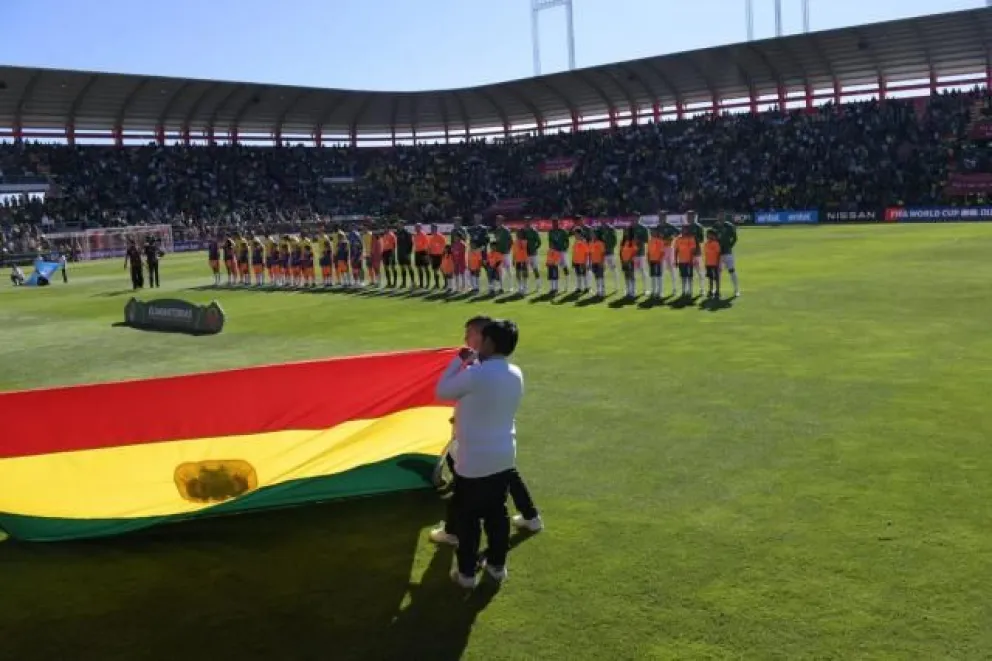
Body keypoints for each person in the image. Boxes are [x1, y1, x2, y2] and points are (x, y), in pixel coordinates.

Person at [433, 319, 527, 587]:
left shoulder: (476, 374)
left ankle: (467, 574)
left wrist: (459, 361)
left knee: (469, 518)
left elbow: (442, 390)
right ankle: (497, 566)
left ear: (489, 342)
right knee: (497, 514)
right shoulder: (515, 372)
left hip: (474, 459)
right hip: (503, 454)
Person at [714, 213, 741, 297]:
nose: (720, 217)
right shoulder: (715, 226)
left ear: (724, 216)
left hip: (727, 252)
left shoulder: (729, 226)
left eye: (722, 215)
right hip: (718, 253)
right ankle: (717, 290)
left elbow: (735, 238)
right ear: (717, 216)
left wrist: (730, 246)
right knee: (718, 272)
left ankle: (736, 289)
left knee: (731, 270)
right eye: (719, 215)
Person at [674, 225, 697, 299]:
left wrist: (692, 260)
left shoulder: (691, 238)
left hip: (689, 261)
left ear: (688, 230)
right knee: (683, 277)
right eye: (682, 229)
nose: (683, 230)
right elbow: (676, 250)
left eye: (685, 229)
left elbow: (693, 250)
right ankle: (684, 291)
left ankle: (690, 291)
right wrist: (675, 260)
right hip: (681, 261)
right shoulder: (678, 239)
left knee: (689, 276)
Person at [547, 217, 570, 293]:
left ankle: (567, 284)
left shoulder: (563, 231)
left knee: (564, 267)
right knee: (555, 269)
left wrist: (565, 248)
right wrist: (551, 248)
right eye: (553, 223)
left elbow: (567, 241)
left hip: (562, 252)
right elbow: (550, 241)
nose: (554, 224)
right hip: (555, 252)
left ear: (558, 223)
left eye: (556, 223)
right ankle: (555, 287)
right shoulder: (550, 232)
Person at [522, 220, 542, 294]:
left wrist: (534, 248)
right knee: (525, 270)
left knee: (535, 269)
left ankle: (538, 286)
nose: (527, 223)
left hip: (533, 254)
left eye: (528, 222)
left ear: (530, 223)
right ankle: (525, 287)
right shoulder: (523, 231)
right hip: (525, 254)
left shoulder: (534, 231)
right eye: (526, 222)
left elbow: (539, 242)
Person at [703, 229, 722, 299]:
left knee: (716, 278)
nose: (708, 235)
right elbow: (706, 254)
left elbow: (718, 254)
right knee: (710, 278)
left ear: (713, 235)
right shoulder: (706, 243)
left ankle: (717, 291)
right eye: (707, 234)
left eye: (709, 234)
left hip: (715, 263)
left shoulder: (716, 243)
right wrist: (705, 263)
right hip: (708, 263)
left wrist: (718, 263)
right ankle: (710, 291)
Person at [395, 223, 414, 289]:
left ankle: (412, 283)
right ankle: (404, 283)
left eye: (400, 225)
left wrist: (409, 253)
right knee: (402, 269)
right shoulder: (398, 233)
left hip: (406, 254)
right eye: (398, 225)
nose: (398, 226)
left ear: (403, 226)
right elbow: (398, 245)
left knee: (409, 268)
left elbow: (411, 244)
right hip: (400, 254)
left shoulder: (407, 233)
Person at [428, 224, 446, 289]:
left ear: (436, 229)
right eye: (431, 229)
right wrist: (429, 256)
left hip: (440, 255)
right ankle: (437, 284)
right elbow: (429, 248)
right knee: (435, 270)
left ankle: (446, 284)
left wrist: (443, 255)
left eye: (433, 228)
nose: (432, 230)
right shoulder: (430, 237)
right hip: (433, 256)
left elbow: (444, 247)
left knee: (442, 270)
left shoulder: (441, 237)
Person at [413, 224, 430, 289]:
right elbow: (415, 244)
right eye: (415, 227)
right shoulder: (415, 235)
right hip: (417, 252)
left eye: (417, 227)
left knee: (426, 268)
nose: (416, 228)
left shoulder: (423, 234)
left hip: (423, 252)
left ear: (420, 228)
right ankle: (421, 284)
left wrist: (427, 254)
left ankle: (428, 284)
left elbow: (427, 244)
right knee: (419, 268)